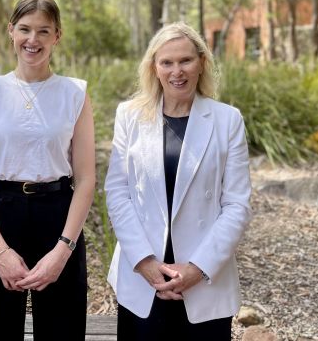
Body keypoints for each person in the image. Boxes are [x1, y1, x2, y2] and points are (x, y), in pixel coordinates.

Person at [104, 22, 251, 340]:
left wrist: (197, 269)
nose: (177, 71)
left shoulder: (227, 120)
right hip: (142, 281)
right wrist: (145, 262)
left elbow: (237, 204)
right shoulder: (130, 116)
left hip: (205, 281)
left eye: (185, 60)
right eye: (166, 62)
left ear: (202, 62)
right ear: (154, 68)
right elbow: (117, 192)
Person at [0, 0, 95, 341]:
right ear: (11, 31)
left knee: (61, 330)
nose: (32, 40)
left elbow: (85, 179)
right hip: (2, 216)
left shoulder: (74, 93)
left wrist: (62, 249)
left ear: (57, 35)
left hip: (58, 217)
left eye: (43, 31)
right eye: (24, 29)